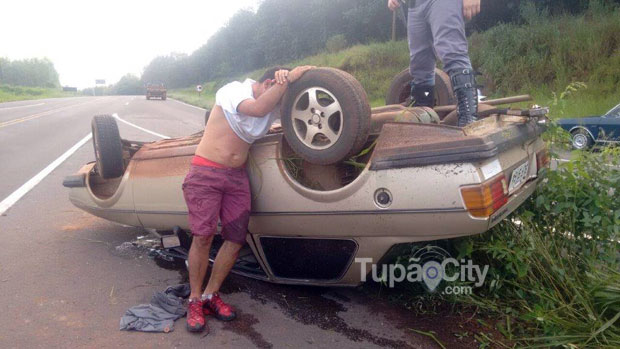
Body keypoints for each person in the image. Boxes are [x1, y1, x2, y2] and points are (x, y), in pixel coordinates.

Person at [181, 65, 314, 333]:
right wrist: (287, 80)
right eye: (277, 91)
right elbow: (257, 109)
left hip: (236, 177)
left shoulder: (272, 103)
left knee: (235, 239)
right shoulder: (234, 90)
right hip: (206, 172)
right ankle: (194, 299)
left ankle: (211, 294)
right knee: (204, 236)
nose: (279, 101)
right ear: (268, 83)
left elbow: (293, 118)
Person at [388, 0, 481, 126]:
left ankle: (468, 121)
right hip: (414, 6)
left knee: (452, 52)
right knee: (420, 66)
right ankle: (423, 122)